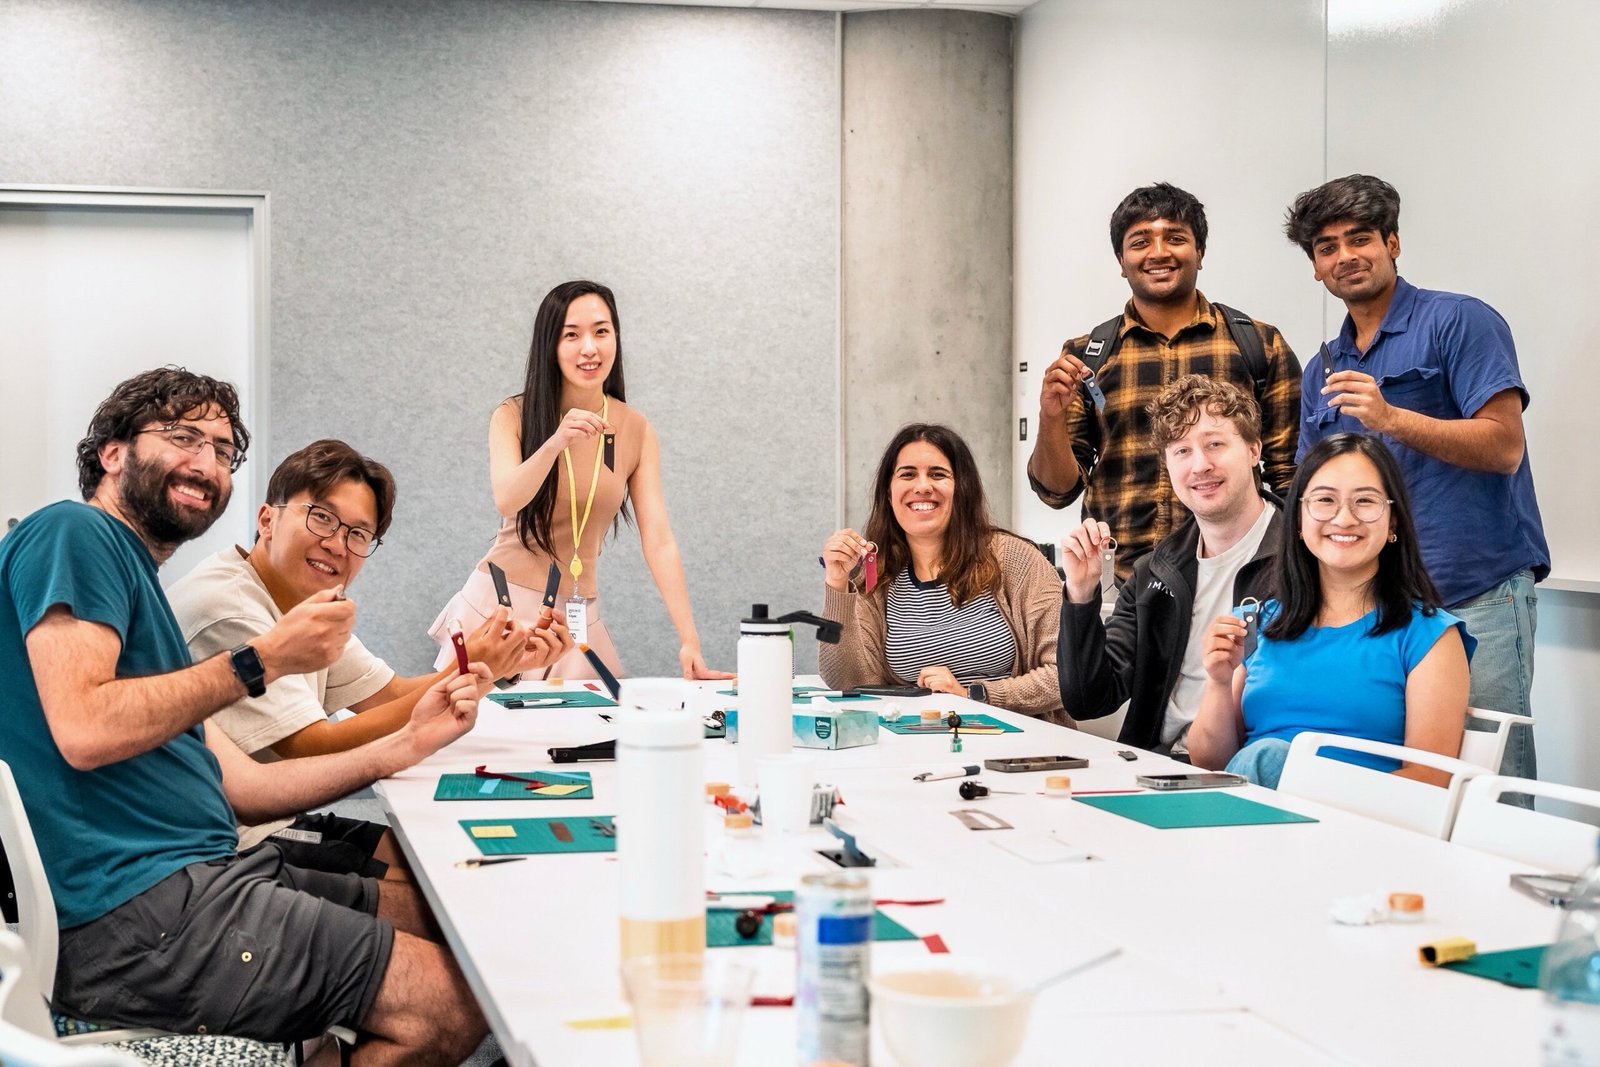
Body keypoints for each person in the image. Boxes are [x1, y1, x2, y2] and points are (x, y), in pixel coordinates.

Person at [0, 368, 488, 1062]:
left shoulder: (140, 584)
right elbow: (85, 728)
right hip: (134, 911)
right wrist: (260, 660)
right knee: (452, 1003)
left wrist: (406, 744)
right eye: (182, 437)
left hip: (203, 872)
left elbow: (243, 786)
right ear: (112, 451)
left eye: (224, 451)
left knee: (454, 922)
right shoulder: (73, 533)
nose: (207, 462)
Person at [168, 438, 572, 876]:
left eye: (357, 533)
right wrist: (471, 671)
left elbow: (387, 695)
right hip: (229, 847)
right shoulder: (230, 607)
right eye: (322, 517)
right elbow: (308, 748)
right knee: (441, 886)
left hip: (279, 822)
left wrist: (493, 664)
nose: (337, 545)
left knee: (446, 858)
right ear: (267, 518)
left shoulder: (306, 599)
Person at [1283, 174, 1547, 787]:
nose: (1346, 256)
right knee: (1402, 785)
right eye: (1327, 248)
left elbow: (1505, 445)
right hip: (1380, 611)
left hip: (1474, 591)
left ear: (1393, 242)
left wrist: (1391, 418)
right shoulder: (1324, 365)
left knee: (1489, 788)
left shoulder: (1460, 323)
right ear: (1317, 268)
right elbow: (1311, 490)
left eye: (1360, 239)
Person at [432, 279, 730, 681]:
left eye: (601, 332)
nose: (589, 348)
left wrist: (689, 640)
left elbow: (659, 540)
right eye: (572, 335)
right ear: (550, 346)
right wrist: (556, 442)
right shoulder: (513, 415)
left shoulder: (635, 428)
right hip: (502, 603)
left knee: (585, 735)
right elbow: (507, 500)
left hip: (574, 617)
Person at [1027, 182, 1301, 578]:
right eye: (1140, 242)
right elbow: (1057, 492)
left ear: (1200, 253)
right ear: (1121, 261)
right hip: (1119, 579)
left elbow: (1290, 478)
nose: (1158, 252)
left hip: (1237, 575)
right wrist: (1050, 416)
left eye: (1175, 238)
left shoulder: (1259, 345)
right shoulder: (1086, 355)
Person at [1186, 433, 1473, 789]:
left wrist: (1305, 783)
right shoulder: (1261, 622)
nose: (1344, 518)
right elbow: (1209, 762)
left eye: (1365, 501)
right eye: (1324, 500)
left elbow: (1431, 780)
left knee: (1269, 757)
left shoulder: (1429, 636)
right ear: (1299, 521)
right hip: (1253, 815)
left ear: (1393, 520)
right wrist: (1218, 681)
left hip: (1358, 827)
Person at [1058, 375, 1282, 754]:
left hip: (1257, 764)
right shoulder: (1154, 572)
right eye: (1181, 451)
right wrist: (1081, 594)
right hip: (1161, 766)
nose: (1200, 465)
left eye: (1215, 444)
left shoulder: (1305, 555)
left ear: (1253, 450)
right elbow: (1089, 700)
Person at [818, 423, 1064, 720]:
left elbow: (1065, 675)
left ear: (962, 488)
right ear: (888, 492)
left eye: (938, 474)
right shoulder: (876, 576)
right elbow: (846, 681)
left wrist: (974, 695)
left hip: (1017, 749)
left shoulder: (1016, 560)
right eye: (907, 474)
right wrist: (837, 582)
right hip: (916, 746)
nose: (922, 486)